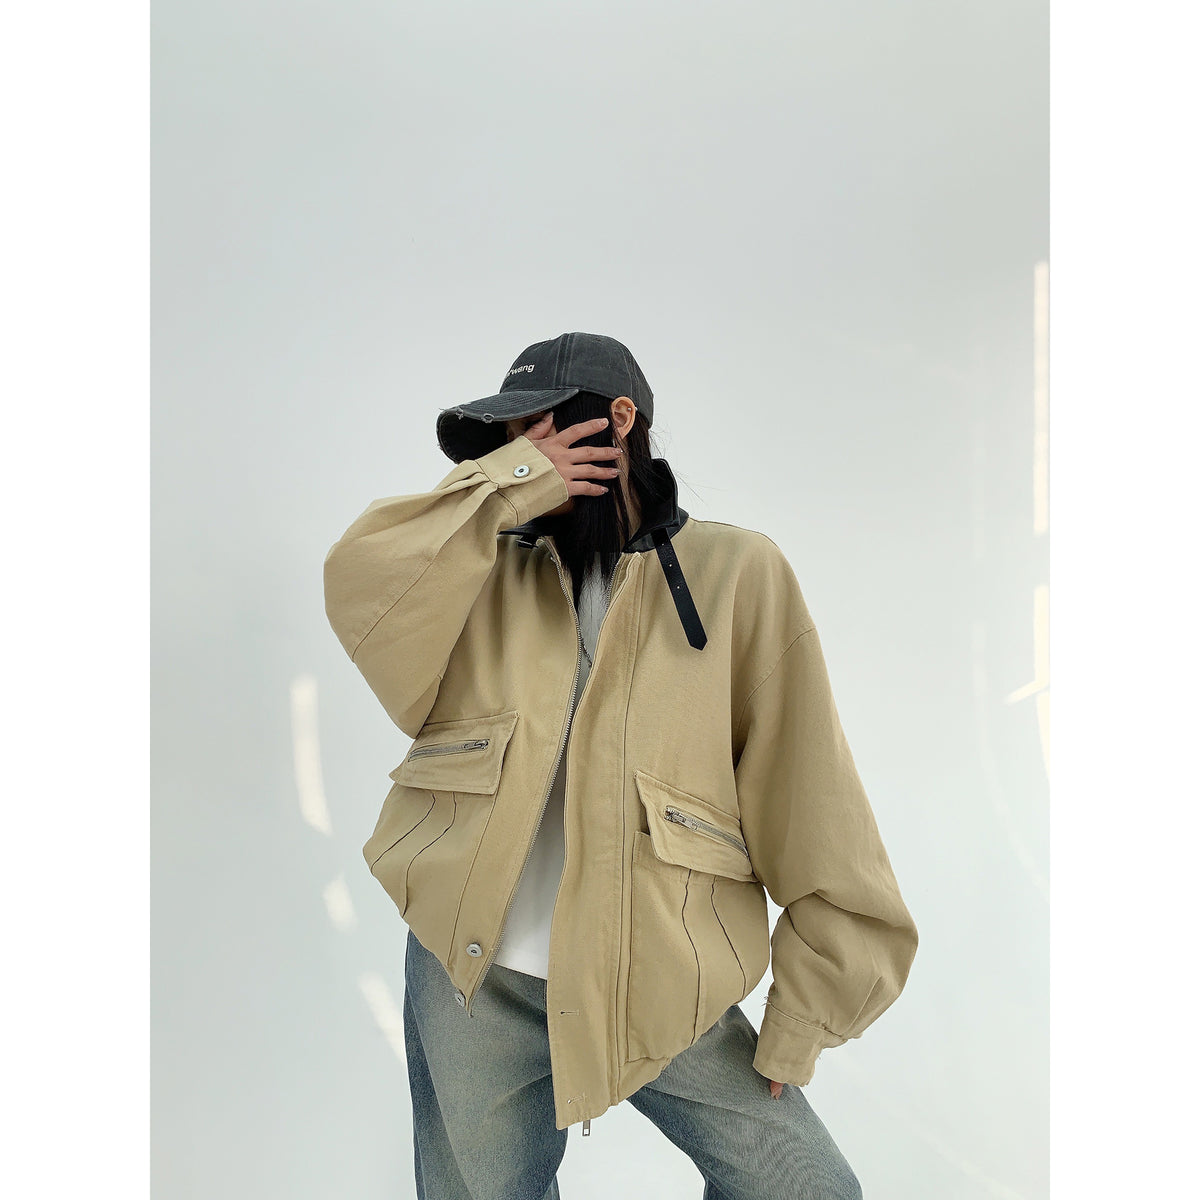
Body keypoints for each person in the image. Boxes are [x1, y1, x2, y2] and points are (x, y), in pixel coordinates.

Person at [323, 332, 919, 1199]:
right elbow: (361, 579)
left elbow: (811, 792)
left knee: (806, 1188)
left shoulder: (736, 571)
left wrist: (802, 1017)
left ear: (620, 420)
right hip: (469, 975)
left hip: (659, 969)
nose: (526, 453)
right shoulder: (483, 564)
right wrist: (507, 484)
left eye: (541, 430)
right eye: (509, 440)